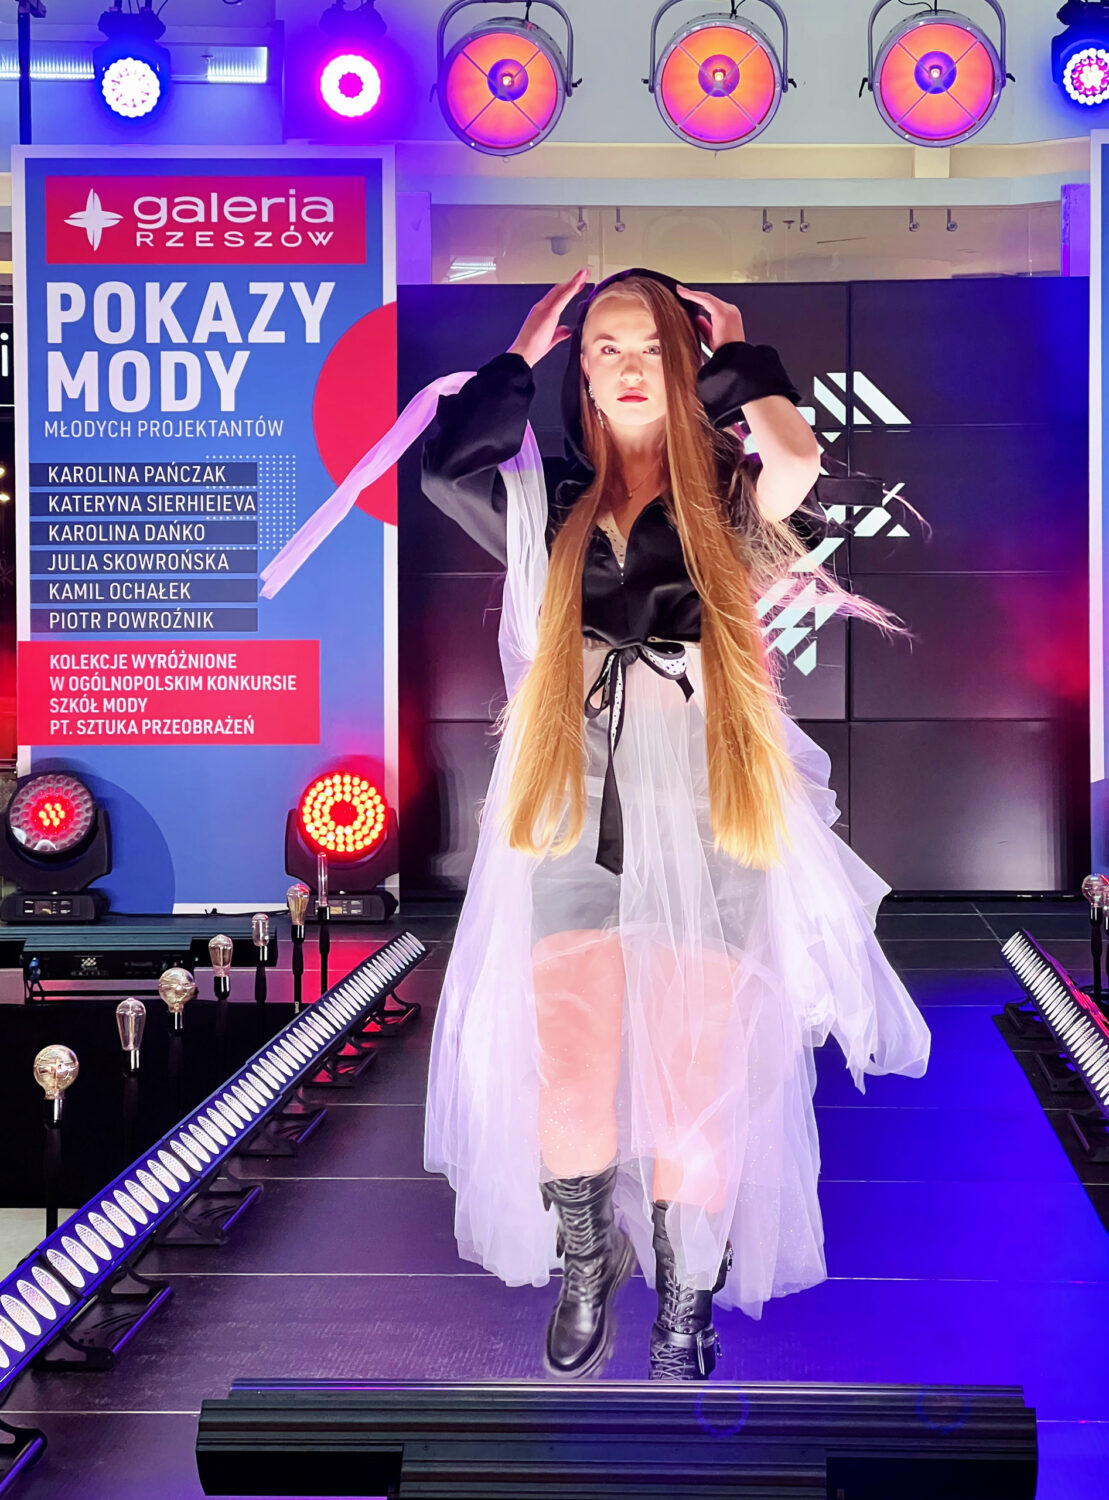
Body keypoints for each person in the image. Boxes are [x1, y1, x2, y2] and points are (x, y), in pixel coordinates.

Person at [419, 266, 932, 1383]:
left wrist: (741, 358)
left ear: (685, 364)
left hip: (708, 787)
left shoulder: (728, 497)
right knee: (570, 1049)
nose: (626, 367)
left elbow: (795, 461)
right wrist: (519, 351)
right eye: (604, 347)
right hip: (569, 783)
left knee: (697, 1058)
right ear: (579, 370)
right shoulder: (549, 498)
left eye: (651, 346)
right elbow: (444, 468)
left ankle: (686, 1293)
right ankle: (585, 1261)